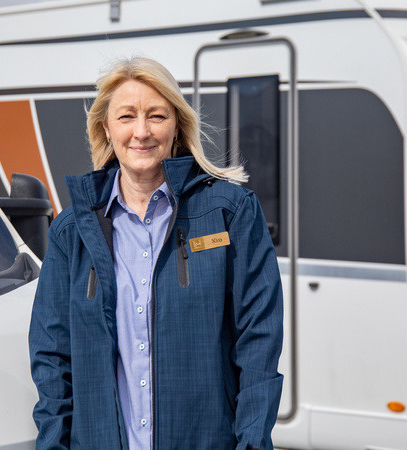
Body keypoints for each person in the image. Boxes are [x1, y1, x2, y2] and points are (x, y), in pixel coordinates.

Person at [29, 56, 283, 449]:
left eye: (157, 116)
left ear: (177, 126)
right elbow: (52, 359)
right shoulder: (72, 231)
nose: (142, 132)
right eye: (127, 116)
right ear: (106, 129)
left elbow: (259, 344)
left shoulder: (230, 213)